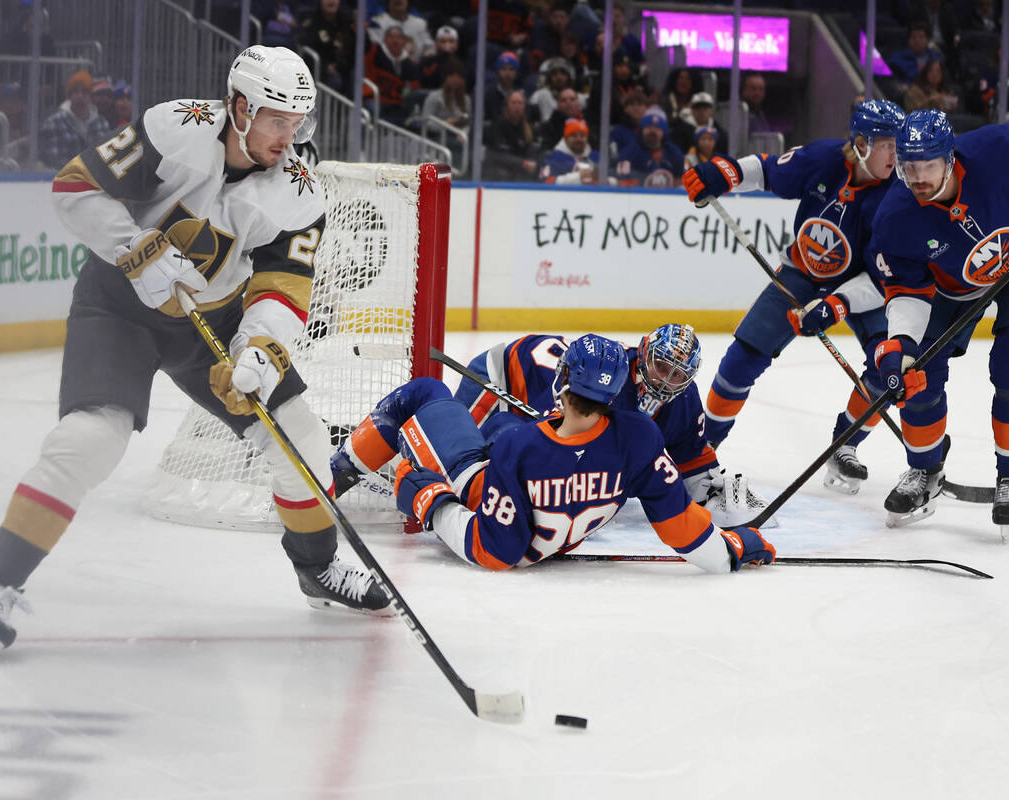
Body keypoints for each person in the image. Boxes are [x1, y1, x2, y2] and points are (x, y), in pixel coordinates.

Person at [0, 45, 394, 663]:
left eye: (297, 123)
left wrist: (259, 352)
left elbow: (284, 289)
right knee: (89, 440)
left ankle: (317, 568)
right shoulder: (175, 128)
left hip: (213, 322)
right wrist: (134, 246)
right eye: (276, 120)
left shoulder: (299, 191)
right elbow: (74, 186)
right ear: (240, 108)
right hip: (118, 306)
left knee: (300, 437)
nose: (289, 138)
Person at [333, 334, 777, 572]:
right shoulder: (641, 439)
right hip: (558, 531)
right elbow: (685, 529)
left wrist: (432, 503)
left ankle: (334, 475)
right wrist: (735, 548)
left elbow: (494, 550)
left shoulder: (518, 445)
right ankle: (401, 453)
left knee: (426, 393)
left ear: (562, 380)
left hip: (486, 500)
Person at [868, 109, 1009, 534]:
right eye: (910, 167)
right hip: (953, 287)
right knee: (919, 371)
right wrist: (902, 345)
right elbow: (907, 291)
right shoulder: (895, 217)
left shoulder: (993, 149)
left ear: (950, 158)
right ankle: (925, 470)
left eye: (928, 165)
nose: (918, 177)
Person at [681, 100, 907, 497]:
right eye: (887, 144)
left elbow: (883, 279)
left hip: (866, 285)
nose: (896, 154)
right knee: (742, 357)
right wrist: (724, 173)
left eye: (898, 144)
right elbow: (769, 170)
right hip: (803, 273)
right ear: (861, 144)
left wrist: (836, 305)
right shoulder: (824, 159)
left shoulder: (898, 196)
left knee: (889, 366)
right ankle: (702, 447)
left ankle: (846, 444)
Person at [410, 325, 769, 526]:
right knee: (468, 459)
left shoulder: (683, 400)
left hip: (532, 399)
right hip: (502, 376)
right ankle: (408, 466)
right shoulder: (606, 381)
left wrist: (710, 495)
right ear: (643, 353)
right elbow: (547, 442)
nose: (665, 380)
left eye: (677, 375)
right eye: (661, 366)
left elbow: (694, 466)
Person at [39, 70, 112, 170]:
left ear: (90, 96)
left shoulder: (102, 123)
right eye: (76, 92)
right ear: (69, 96)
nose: (80, 96)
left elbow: (107, 157)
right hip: (64, 176)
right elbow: (53, 159)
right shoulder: (54, 122)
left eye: (84, 92)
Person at [614, 111, 686, 187]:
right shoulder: (629, 153)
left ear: (664, 133)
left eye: (657, 128)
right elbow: (621, 180)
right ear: (641, 131)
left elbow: (681, 180)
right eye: (648, 127)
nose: (652, 131)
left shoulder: (674, 153)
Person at [539, 118, 600, 183]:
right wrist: (578, 177)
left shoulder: (596, 157)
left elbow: (608, 178)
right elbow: (547, 182)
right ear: (566, 138)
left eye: (582, 135)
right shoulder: (552, 158)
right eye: (574, 135)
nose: (578, 139)